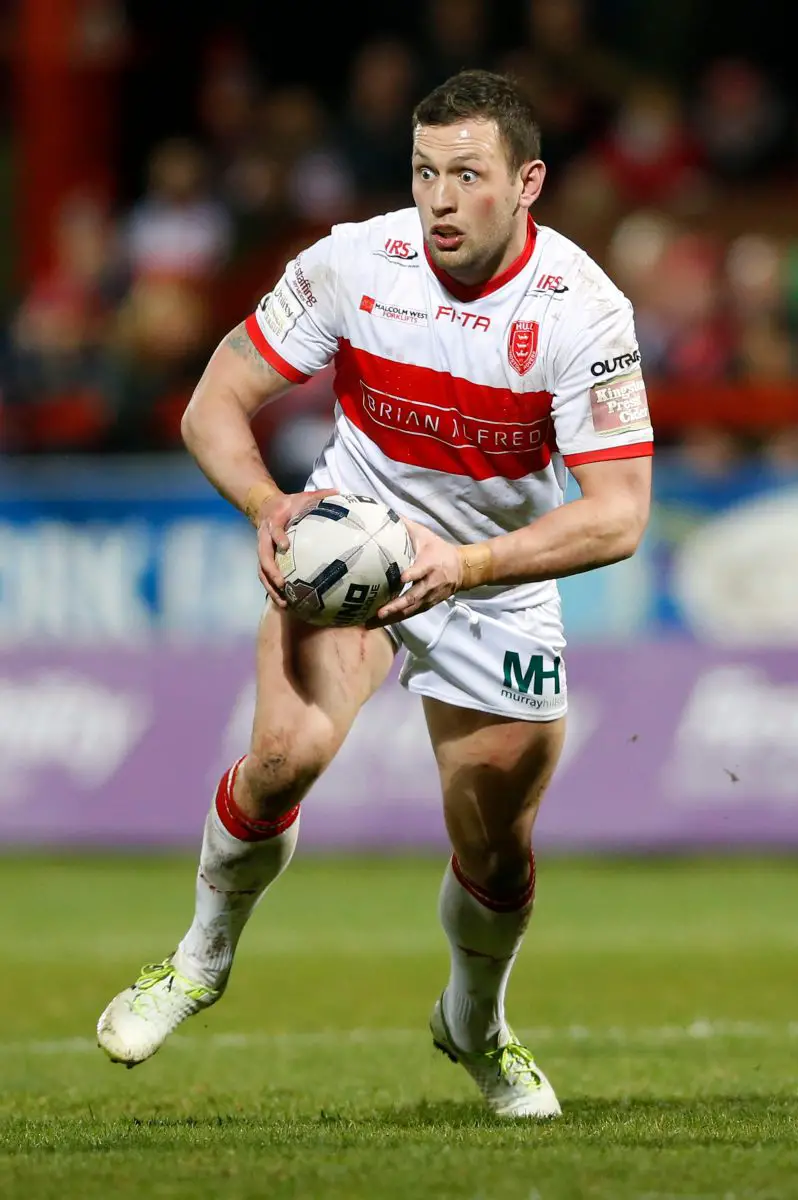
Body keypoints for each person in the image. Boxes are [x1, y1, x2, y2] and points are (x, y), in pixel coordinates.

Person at [97, 69, 653, 1119]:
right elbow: (213, 404)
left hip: (494, 579)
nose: (440, 198)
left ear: (527, 183)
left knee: (496, 851)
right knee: (283, 758)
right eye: (423, 172)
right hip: (352, 547)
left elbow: (620, 514)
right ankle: (199, 961)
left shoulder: (583, 311)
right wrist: (269, 506)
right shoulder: (353, 262)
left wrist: (469, 566)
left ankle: (473, 1023)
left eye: (468, 175)